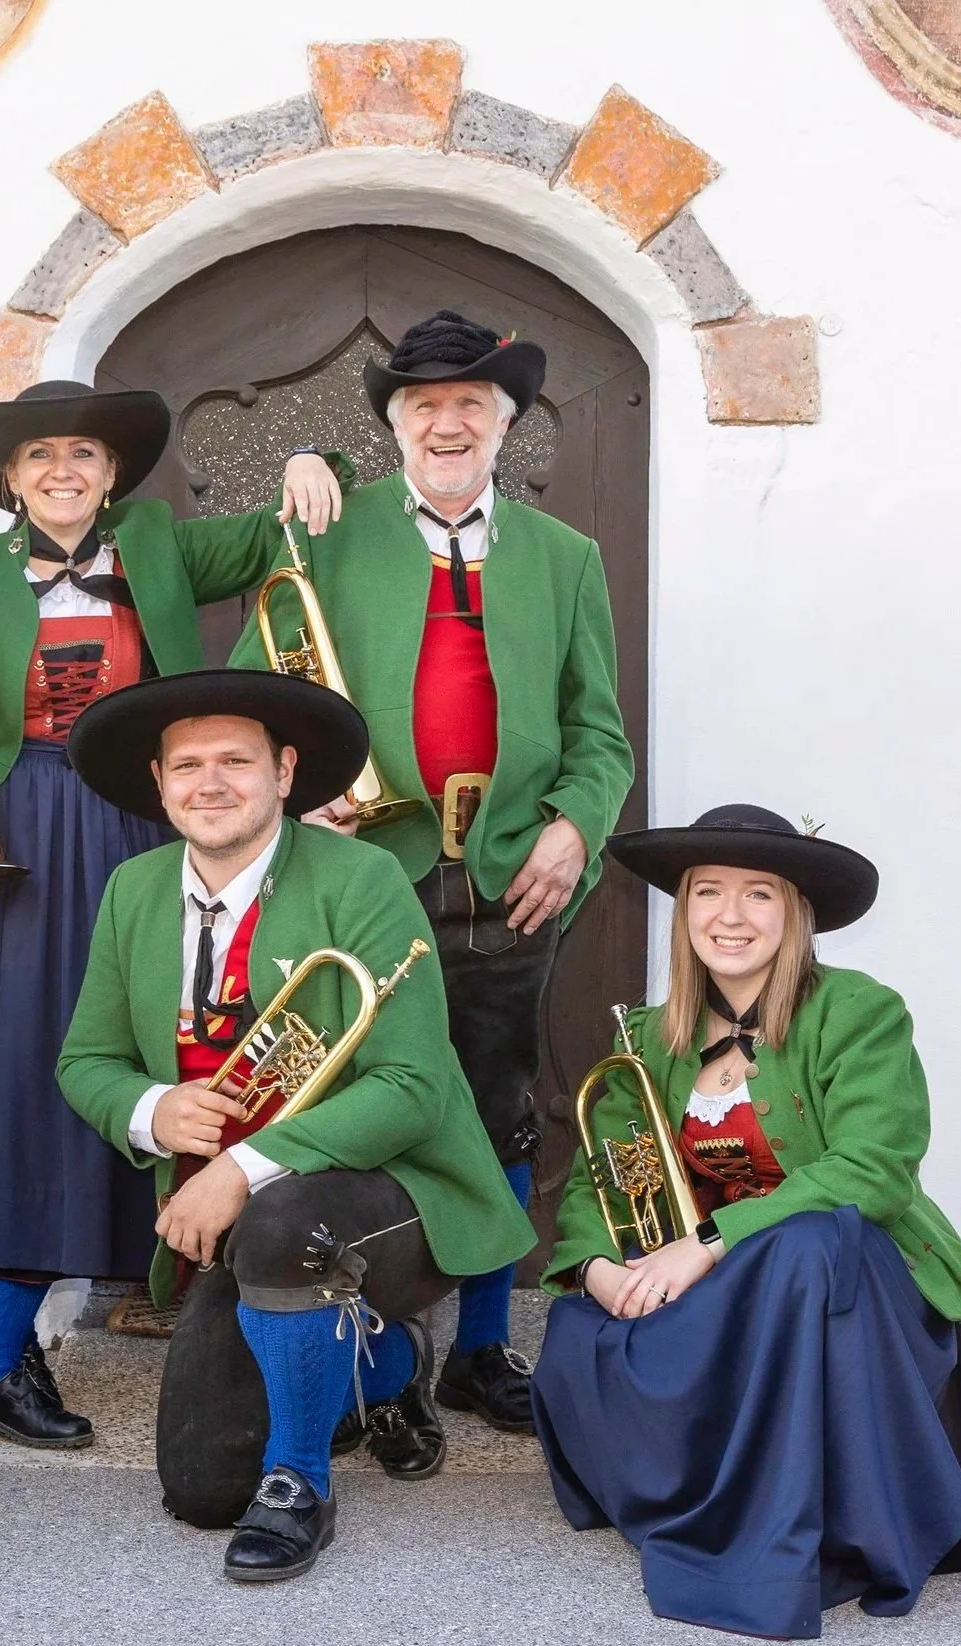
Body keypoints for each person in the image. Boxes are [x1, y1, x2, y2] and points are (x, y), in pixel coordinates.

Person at [0, 382, 349, 1447]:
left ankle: (8, 1353)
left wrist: (314, 455)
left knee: (99, 1066)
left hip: (121, 830)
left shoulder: (158, 543)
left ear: (113, 473)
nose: (61, 470)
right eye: (38, 456)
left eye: (82, 453)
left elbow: (284, 530)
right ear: (9, 478)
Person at [229, 309, 634, 1433]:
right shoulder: (329, 529)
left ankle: (482, 1347)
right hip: (365, 872)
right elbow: (255, 694)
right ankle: (362, 1343)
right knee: (353, 1102)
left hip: (512, 878)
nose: (446, 423)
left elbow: (598, 734)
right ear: (395, 424)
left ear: (505, 424)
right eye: (422, 405)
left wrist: (574, 827)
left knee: (500, 1111)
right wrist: (300, 793)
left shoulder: (564, 556)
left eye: (469, 404)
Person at [57, 669, 535, 1581]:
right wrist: (153, 1108)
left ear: (283, 772)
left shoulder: (363, 876)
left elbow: (410, 1085)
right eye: (186, 765)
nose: (210, 782)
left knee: (284, 1221)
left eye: (235, 761)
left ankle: (298, 1480)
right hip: (238, 1214)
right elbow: (85, 1061)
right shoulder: (132, 888)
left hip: (396, 1187)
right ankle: (384, 1363)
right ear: (158, 782)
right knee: (201, 1489)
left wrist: (240, 1165)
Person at [531, 805, 961, 1639]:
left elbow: (871, 1169)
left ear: (795, 911)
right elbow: (604, 1176)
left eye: (758, 893)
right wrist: (599, 1266)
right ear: (684, 908)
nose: (728, 915)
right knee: (576, 1325)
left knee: (803, 1246)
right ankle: (705, 1492)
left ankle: (802, 1522)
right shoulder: (650, 1035)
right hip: (731, 1289)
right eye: (708, 891)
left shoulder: (858, 1009)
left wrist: (706, 1244)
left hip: (858, 1287)